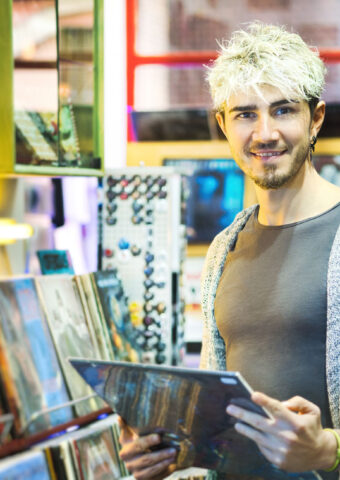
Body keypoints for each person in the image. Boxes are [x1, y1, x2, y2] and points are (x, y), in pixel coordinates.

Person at [119, 22, 340, 480]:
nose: (264, 133)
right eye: (244, 114)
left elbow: (323, 449)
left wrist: (327, 450)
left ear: (315, 117)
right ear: (222, 123)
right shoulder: (224, 249)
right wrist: (175, 456)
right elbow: (220, 428)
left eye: (282, 110)